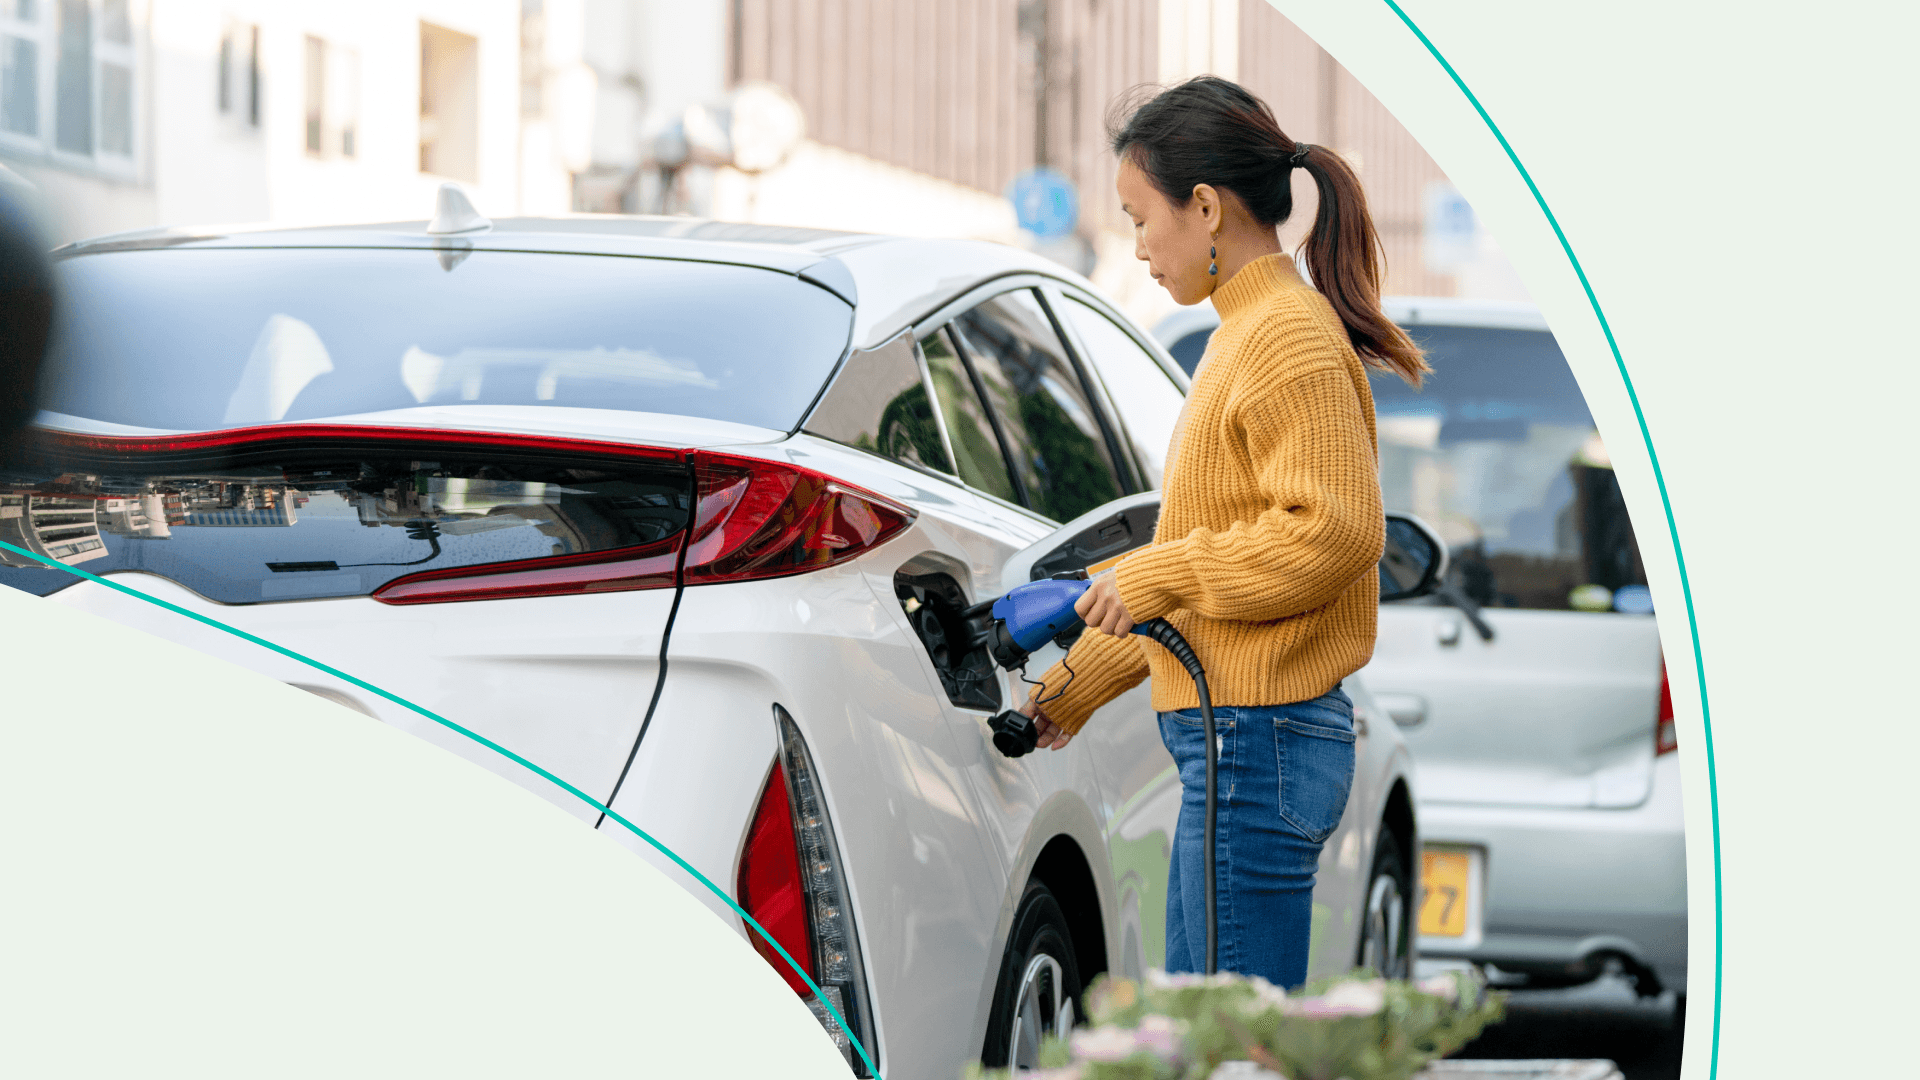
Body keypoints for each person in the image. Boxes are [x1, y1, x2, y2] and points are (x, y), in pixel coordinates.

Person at [1017, 76, 1429, 989]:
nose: (1138, 247)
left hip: (1254, 740)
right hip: (1238, 741)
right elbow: (1206, 576)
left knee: (1228, 1036)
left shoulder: (1284, 336)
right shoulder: (1245, 334)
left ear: (1205, 207)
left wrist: (1154, 576)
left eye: (1140, 218)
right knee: (1211, 1023)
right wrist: (1070, 691)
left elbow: (1332, 533)